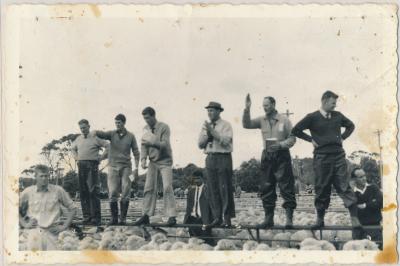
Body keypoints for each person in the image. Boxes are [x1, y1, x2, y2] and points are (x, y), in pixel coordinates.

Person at [292, 90, 362, 232]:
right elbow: (296, 130)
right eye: (333, 103)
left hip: (338, 156)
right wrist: (310, 139)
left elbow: (351, 126)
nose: (335, 106)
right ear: (324, 101)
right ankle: (320, 219)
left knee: (344, 186)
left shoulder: (338, 116)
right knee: (322, 187)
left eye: (335, 103)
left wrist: (343, 137)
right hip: (321, 157)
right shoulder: (312, 117)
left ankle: (354, 219)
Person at [242, 94, 297, 229]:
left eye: (267, 105)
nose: (265, 108)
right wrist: (247, 109)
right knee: (266, 187)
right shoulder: (262, 120)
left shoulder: (284, 120)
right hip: (267, 155)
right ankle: (268, 219)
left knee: (286, 187)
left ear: (273, 104)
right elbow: (246, 124)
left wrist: (281, 145)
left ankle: (289, 219)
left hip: (281, 155)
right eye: (263, 106)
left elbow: (292, 138)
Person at [134, 107, 177, 226]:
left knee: (167, 186)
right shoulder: (145, 129)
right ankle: (146, 215)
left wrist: (152, 143)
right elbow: (143, 145)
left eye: (147, 118)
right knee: (148, 188)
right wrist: (143, 159)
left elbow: (165, 144)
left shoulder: (164, 127)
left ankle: (172, 216)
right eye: (144, 118)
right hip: (153, 161)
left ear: (153, 116)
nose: (146, 120)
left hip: (165, 161)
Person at [95, 114, 140, 225]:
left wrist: (137, 168)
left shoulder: (131, 136)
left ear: (124, 123)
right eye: (116, 123)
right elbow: (103, 134)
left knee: (126, 190)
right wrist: (94, 132)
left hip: (126, 167)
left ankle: (123, 218)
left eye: (119, 123)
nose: (117, 125)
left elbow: (136, 152)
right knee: (113, 191)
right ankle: (114, 218)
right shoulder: (112, 134)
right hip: (113, 167)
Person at [19, 165, 77, 250]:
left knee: (52, 260)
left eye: (46, 176)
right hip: (34, 231)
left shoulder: (58, 190)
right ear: (36, 177)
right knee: (34, 259)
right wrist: (24, 224)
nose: (44, 179)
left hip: (53, 232)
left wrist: (64, 226)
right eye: (41, 176)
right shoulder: (28, 191)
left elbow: (73, 208)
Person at [198, 101, 235, 227]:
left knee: (224, 188)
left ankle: (226, 218)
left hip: (223, 157)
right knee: (212, 189)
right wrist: (207, 135)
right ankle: (217, 217)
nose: (209, 113)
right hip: (210, 157)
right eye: (208, 110)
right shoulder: (205, 126)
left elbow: (225, 141)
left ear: (219, 111)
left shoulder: (226, 125)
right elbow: (200, 144)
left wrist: (212, 132)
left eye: (212, 110)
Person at [71, 119, 109, 226]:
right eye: (81, 128)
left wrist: (101, 158)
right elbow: (72, 149)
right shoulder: (78, 139)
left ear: (89, 126)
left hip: (92, 165)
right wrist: (77, 158)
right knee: (83, 192)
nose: (83, 130)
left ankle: (96, 218)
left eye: (84, 127)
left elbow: (108, 146)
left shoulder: (95, 138)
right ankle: (86, 217)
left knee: (93, 191)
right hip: (81, 165)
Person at [350, 168, 383, 246]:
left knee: (376, 250)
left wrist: (365, 205)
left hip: (374, 226)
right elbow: (349, 204)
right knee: (358, 253)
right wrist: (351, 190)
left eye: (364, 175)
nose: (364, 178)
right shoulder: (351, 192)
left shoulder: (373, 188)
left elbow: (380, 203)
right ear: (354, 179)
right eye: (361, 177)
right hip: (358, 228)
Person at [183, 167, 213, 244]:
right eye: (194, 179)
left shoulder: (208, 190)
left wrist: (213, 219)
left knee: (205, 242)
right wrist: (185, 220)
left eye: (198, 178)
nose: (196, 180)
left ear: (202, 178)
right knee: (194, 241)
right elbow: (188, 207)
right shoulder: (191, 191)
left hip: (204, 220)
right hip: (192, 220)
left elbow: (212, 206)